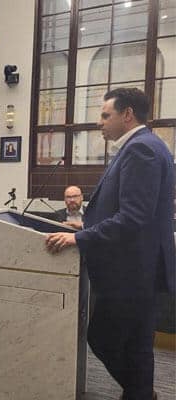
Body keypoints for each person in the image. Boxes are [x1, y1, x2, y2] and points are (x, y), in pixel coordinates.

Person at [45, 88, 174, 400]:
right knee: (137, 344)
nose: (100, 122)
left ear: (127, 115)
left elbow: (133, 218)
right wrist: (86, 224)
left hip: (129, 272)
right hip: (140, 269)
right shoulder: (149, 145)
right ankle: (141, 394)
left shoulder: (140, 150)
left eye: (105, 115)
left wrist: (79, 236)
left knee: (104, 337)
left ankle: (140, 392)